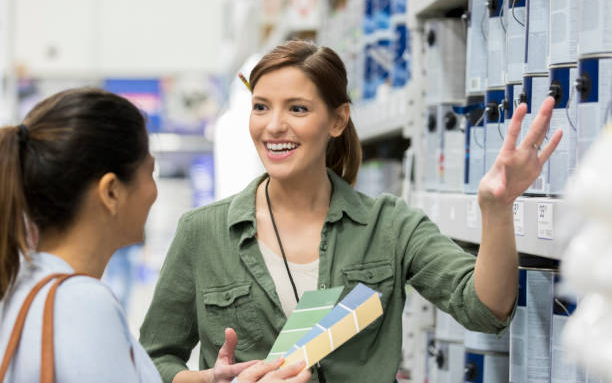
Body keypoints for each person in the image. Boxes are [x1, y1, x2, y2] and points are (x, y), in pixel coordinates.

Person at [139, 40, 562, 382]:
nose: (273, 126)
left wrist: (497, 208)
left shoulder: (391, 225)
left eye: (297, 108)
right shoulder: (203, 232)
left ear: (338, 120)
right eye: (261, 106)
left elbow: (485, 310)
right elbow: (154, 357)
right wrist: (202, 382)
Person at [0, 88, 310, 383]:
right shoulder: (82, 303)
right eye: (150, 173)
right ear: (111, 192)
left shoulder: (22, 282)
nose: (153, 192)